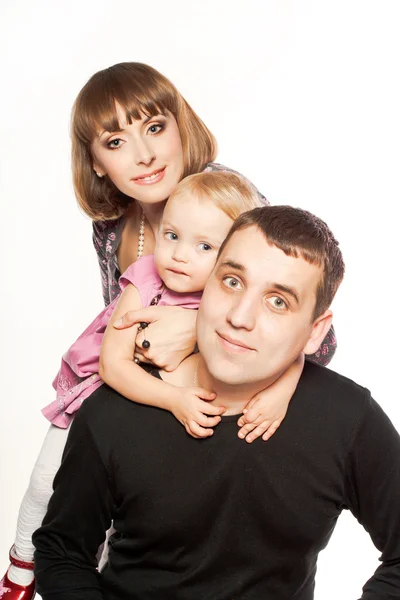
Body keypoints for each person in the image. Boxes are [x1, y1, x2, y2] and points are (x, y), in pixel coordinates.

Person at [0, 62, 336, 598]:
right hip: (139, 385)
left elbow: (305, 330)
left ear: (181, 127)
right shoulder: (113, 229)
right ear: (97, 162)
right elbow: (120, 321)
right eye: (117, 140)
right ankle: (31, 569)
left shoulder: (230, 200)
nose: (144, 154)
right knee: (80, 493)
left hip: (219, 398)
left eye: (155, 128)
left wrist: (196, 328)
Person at [32, 205, 400, 599]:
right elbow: (62, 554)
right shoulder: (112, 412)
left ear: (315, 332)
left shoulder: (348, 419)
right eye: (231, 281)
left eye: (278, 301)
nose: (240, 317)